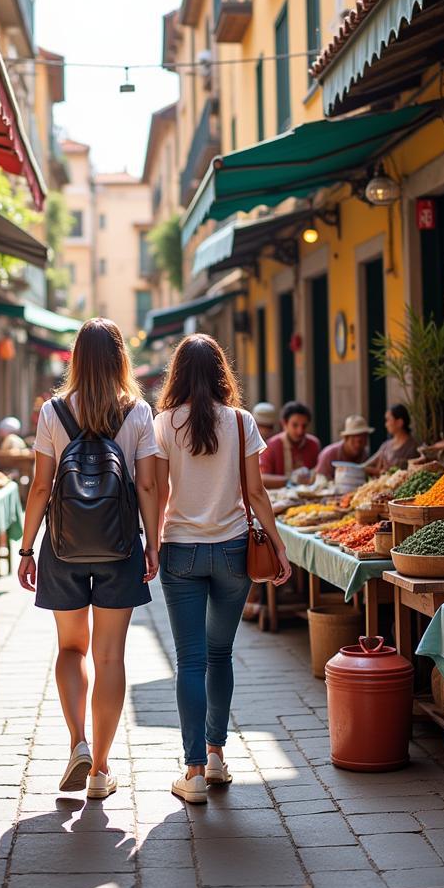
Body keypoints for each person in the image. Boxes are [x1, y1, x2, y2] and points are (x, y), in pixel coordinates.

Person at [18, 318, 160, 799]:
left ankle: (77, 742)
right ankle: (100, 769)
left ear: (75, 358)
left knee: (71, 650)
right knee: (109, 655)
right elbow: (146, 484)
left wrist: (25, 548)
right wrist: (153, 543)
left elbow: (41, 486)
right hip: (120, 547)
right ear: (122, 359)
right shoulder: (138, 412)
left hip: (63, 545)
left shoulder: (53, 411)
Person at [155, 335, 291, 804]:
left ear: (177, 373)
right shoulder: (240, 421)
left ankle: (192, 771)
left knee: (190, 660)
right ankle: (215, 756)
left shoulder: (165, 424)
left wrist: (151, 545)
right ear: (220, 373)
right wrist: (278, 546)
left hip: (181, 552)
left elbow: (156, 492)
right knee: (220, 654)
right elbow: (256, 493)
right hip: (234, 551)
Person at [259, 401, 321, 488]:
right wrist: (290, 480)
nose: (300, 431)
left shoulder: (313, 444)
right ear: (284, 423)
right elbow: (261, 478)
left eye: (304, 426)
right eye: (295, 425)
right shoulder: (272, 445)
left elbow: (319, 473)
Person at [365, 405, 422, 475]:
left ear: (399, 422)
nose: (386, 425)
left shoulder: (413, 447)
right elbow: (365, 466)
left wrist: (382, 472)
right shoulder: (385, 446)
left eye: (388, 420)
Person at [315, 415, 374, 479]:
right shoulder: (329, 454)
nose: (358, 445)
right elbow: (320, 481)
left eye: (362, 440)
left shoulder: (365, 454)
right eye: (353, 440)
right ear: (346, 438)